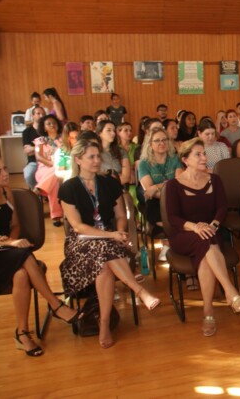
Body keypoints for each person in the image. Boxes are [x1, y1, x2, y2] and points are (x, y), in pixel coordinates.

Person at [59, 140, 161, 349]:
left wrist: (120, 231)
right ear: (78, 160)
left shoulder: (109, 183)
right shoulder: (68, 188)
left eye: (98, 156)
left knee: (104, 265)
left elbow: (121, 215)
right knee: (104, 253)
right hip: (81, 243)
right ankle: (139, 291)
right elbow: (77, 226)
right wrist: (110, 235)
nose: (97, 161)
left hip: (111, 241)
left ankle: (104, 323)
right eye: (91, 157)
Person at [0, 153, 81, 357]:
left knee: (21, 274)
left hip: (7, 252)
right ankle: (55, 304)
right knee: (24, 255)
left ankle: (22, 333)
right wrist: (10, 243)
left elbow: (15, 225)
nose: (5, 174)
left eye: (5, 168)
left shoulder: (7, 192)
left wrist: (11, 241)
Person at [165, 138, 240, 336]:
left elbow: (222, 207)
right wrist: (195, 227)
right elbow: (173, 218)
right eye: (199, 154)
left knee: (206, 250)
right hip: (184, 235)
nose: (204, 157)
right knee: (205, 241)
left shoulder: (215, 180)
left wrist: (212, 225)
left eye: (204, 153)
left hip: (211, 233)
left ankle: (208, 313)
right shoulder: (173, 185)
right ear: (185, 160)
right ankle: (230, 292)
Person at [34, 114, 63, 226]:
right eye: (48, 124)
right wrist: (52, 164)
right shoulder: (39, 140)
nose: (52, 125)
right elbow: (38, 157)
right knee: (54, 182)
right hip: (44, 169)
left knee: (54, 181)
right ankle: (56, 215)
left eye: (54, 123)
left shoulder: (63, 138)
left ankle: (40, 188)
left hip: (61, 168)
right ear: (44, 127)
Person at [97, 120, 131, 185]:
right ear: (99, 133)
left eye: (114, 130)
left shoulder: (121, 151)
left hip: (118, 188)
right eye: (109, 130)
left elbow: (126, 178)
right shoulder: (94, 152)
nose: (113, 133)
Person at [22, 106, 45, 190]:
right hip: (34, 162)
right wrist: (41, 146)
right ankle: (37, 192)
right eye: (38, 114)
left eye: (43, 114)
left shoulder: (46, 130)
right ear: (33, 116)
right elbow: (27, 151)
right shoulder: (27, 132)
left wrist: (33, 148)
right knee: (28, 174)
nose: (41, 116)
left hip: (48, 161)